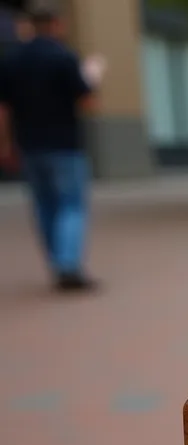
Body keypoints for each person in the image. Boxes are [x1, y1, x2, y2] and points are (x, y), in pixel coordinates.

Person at [0, 6, 101, 292]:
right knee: (70, 204)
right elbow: (88, 102)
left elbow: (3, 108)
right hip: (64, 144)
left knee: (44, 206)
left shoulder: (12, 60)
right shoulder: (64, 57)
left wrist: (5, 144)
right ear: (57, 25)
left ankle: (56, 262)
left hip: (29, 145)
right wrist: (91, 77)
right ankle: (68, 265)